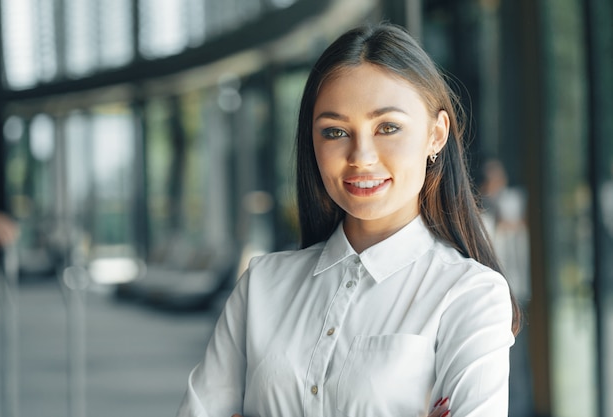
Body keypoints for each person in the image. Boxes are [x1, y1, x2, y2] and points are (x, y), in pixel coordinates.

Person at [177, 22, 520, 417]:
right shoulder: (262, 285)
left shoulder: (470, 294)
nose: (361, 156)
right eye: (335, 132)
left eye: (387, 127)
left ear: (436, 134)